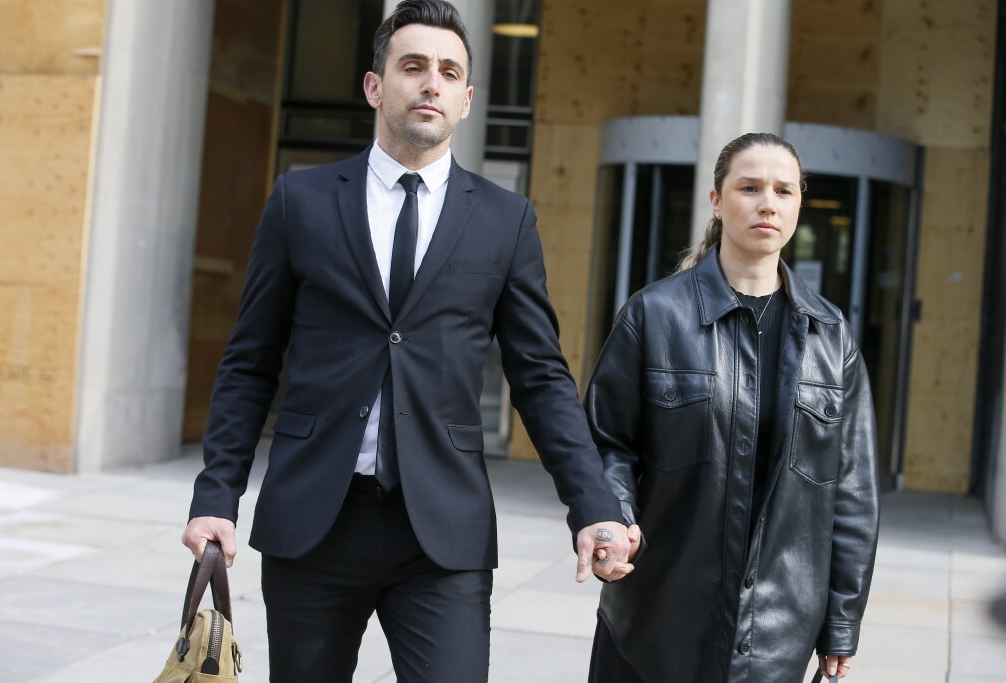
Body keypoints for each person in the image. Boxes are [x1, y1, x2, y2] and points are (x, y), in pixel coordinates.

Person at [180, 1, 633, 681]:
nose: (431, 83)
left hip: (442, 533)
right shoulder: (299, 200)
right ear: (375, 85)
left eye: (449, 72)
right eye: (413, 66)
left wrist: (592, 503)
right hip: (314, 523)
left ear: (467, 99)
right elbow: (250, 361)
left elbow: (539, 375)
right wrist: (218, 493)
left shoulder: (505, 220)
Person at [584, 132, 880, 682]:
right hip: (654, 619)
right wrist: (614, 520)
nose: (768, 202)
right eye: (749, 187)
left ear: (798, 205)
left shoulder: (832, 338)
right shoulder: (654, 316)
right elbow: (608, 442)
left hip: (774, 636)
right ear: (717, 200)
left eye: (784, 190)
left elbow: (852, 492)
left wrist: (841, 621)